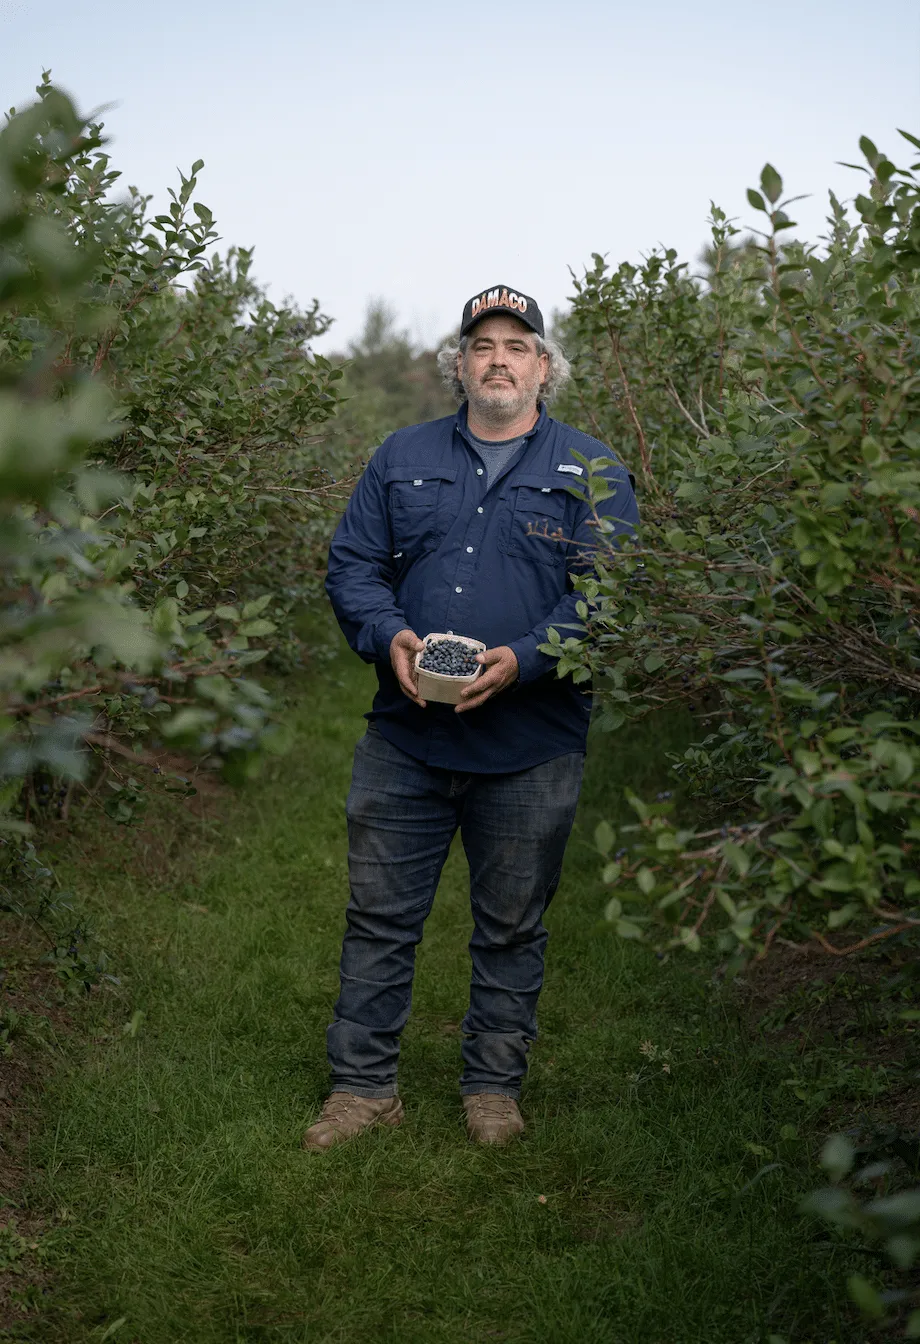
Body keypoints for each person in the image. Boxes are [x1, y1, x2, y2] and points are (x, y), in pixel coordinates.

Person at [305, 285, 639, 1149]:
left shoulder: (592, 470)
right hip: (406, 737)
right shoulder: (402, 455)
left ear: (544, 367)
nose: (498, 358)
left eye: (517, 346)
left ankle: (493, 1088)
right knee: (379, 916)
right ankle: (363, 1088)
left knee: (513, 922)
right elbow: (352, 569)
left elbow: (611, 597)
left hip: (533, 743)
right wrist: (391, 640)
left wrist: (524, 660)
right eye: (482, 344)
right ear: (457, 363)